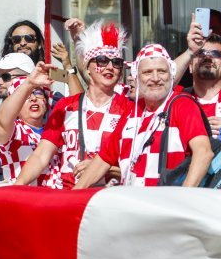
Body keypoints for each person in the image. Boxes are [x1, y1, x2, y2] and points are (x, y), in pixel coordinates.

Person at [75, 44, 213, 188]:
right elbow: (103, 160)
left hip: (166, 205)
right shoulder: (131, 112)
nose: (155, 78)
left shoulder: (182, 104)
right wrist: (74, 194)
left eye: (162, 71)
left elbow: (203, 153)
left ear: (171, 73)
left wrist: (183, 198)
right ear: (136, 77)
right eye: (147, 72)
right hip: (134, 204)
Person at [15, 20, 132, 189]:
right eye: (101, 60)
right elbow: (41, 155)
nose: (110, 67)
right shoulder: (66, 106)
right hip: (69, 196)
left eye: (116, 63)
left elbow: (136, 166)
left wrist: (106, 169)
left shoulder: (129, 110)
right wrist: (18, 185)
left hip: (109, 198)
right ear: (87, 66)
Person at [186, 34, 221, 136]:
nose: (208, 56)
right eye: (200, 53)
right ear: (190, 66)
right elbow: (167, 76)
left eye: (216, 54)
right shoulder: (178, 99)